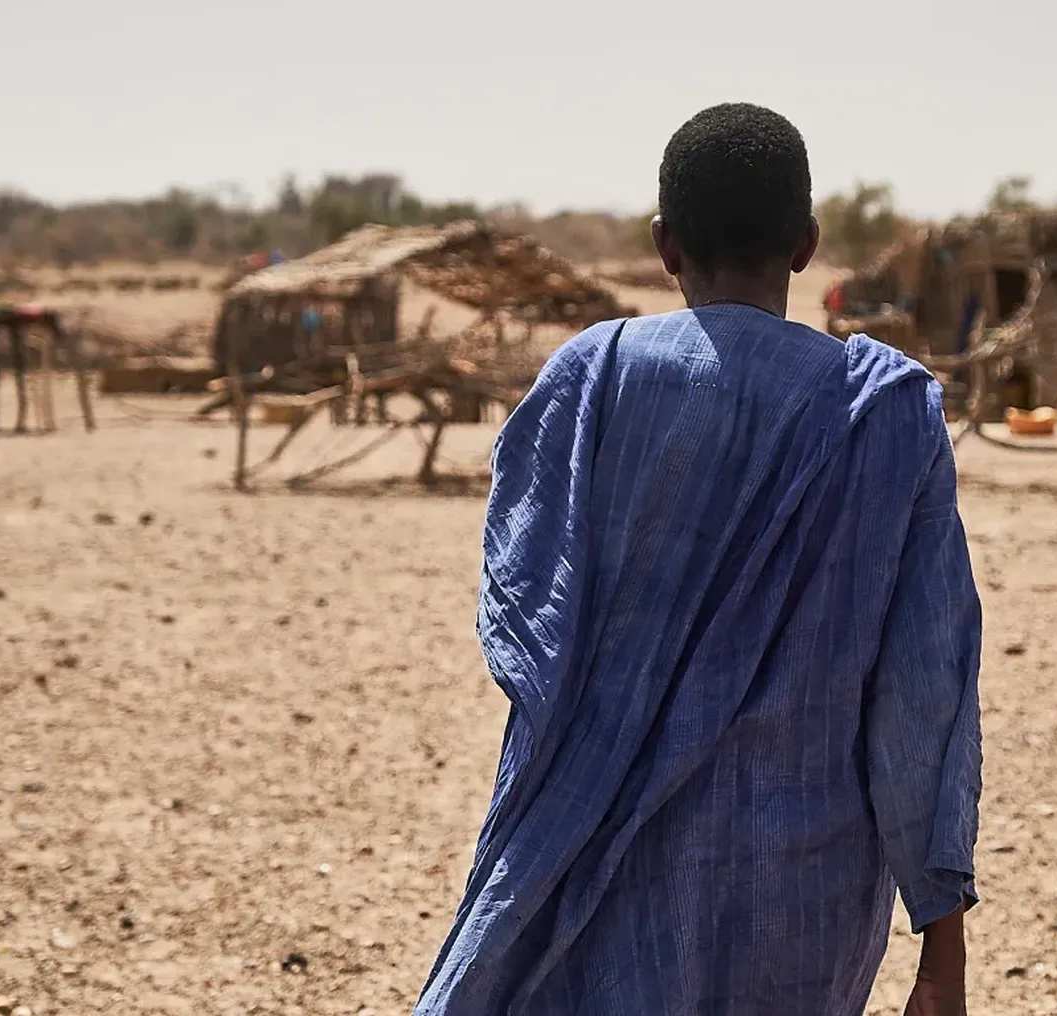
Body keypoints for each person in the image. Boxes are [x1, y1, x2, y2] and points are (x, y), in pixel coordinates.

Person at [413, 103, 983, 1016]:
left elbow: (527, 632)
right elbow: (924, 691)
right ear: (806, 243)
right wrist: (941, 954)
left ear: (665, 245)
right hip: (799, 889)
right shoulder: (884, 412)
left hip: (589, 860)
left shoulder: (589, 379)